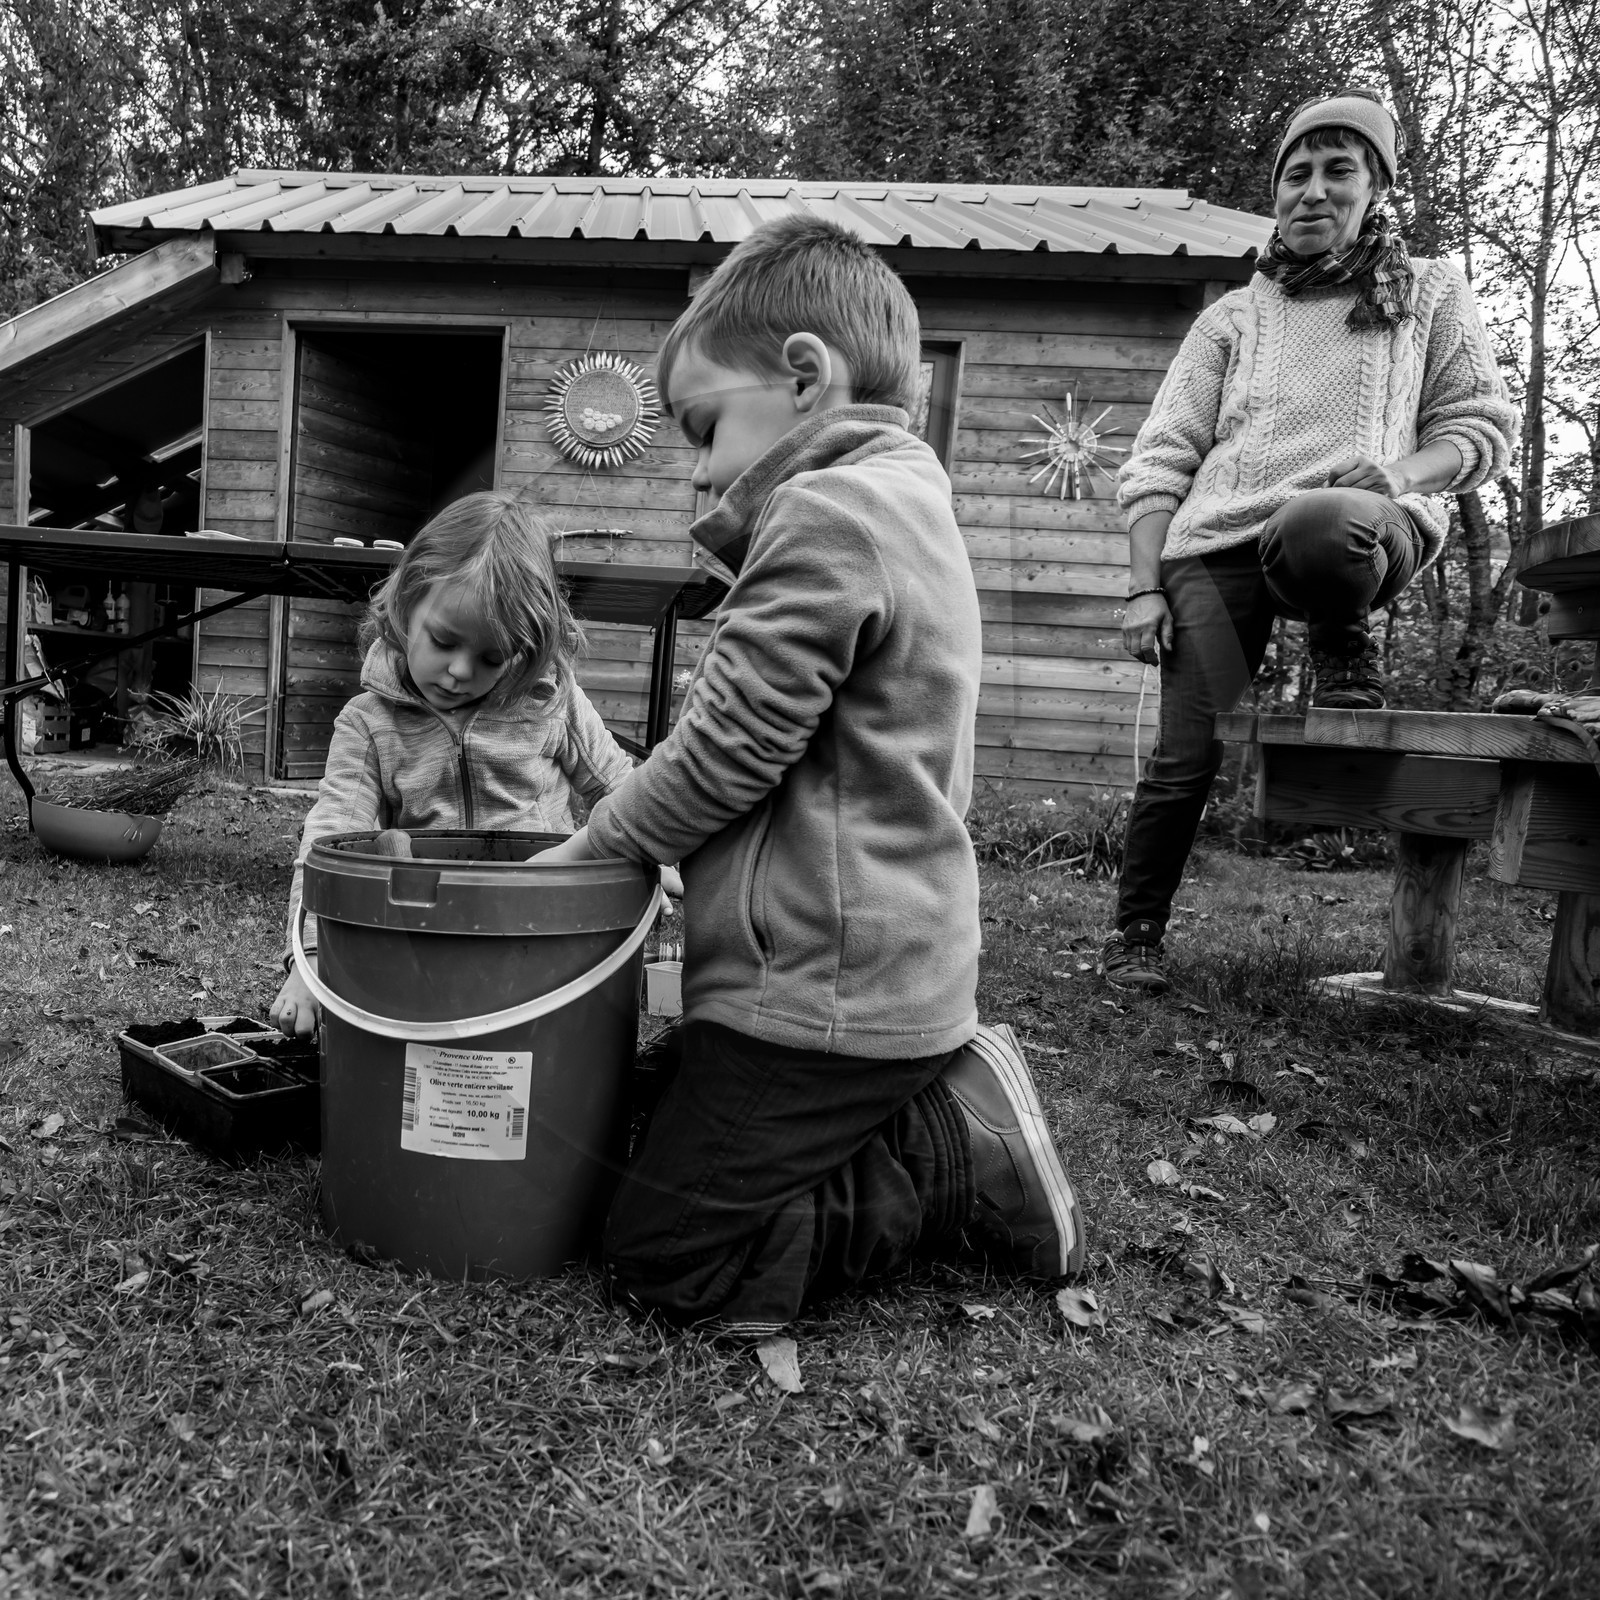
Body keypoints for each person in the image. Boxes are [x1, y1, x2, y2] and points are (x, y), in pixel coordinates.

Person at [539, 215, 1086, 1338]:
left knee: (666, 1252)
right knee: (633, 1124)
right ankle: (919, 1104)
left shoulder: (827, 510)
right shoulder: (897, 500)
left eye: (702, 427)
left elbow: (730, 748)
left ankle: (948, 1161)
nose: (696, 467)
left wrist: (595, 846)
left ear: (801, 377)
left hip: (824, 997)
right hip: (859, 971)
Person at [1100, 88, 1518, 996]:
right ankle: (1134, 936)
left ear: (1376, 188)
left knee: (1318, 516)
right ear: (1277, 191)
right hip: (1214, 543)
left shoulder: (1430, 291)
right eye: (1297, 175)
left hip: (1360, 529)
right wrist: (1141, 588)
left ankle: (1343, 642)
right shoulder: (1233, 318)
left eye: (1340, 172)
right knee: (1185, 752)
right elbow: (1160, 458)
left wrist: (1401, 476)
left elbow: (1479, 424)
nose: (1313, 192)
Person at [270, 491, 634, 1036]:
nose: (460, 671)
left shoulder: (549, 700)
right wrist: (312, 957)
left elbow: (618, 784)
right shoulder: (368, 723)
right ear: (406, 603)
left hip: (537, 927)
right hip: (420, 931)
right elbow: (331, 839)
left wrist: (654, 844)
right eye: (443, 641)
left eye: (493, 656)